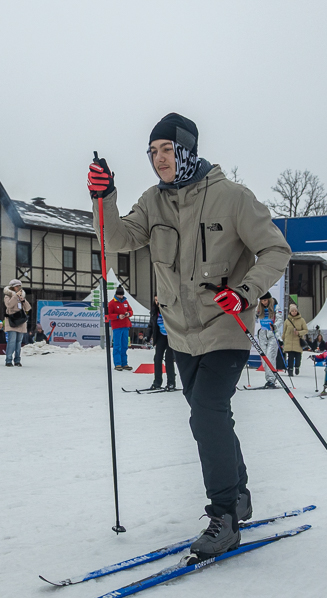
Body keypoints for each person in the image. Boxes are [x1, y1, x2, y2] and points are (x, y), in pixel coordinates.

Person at [87, 111, 290, 557]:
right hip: (179, 331)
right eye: (152, 152)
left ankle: (224, 517)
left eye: (166, 150)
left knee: (207, 412)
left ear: (186, 150)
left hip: (227, 327)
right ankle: (238, 492)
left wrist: (246, 292)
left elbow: (276, 249)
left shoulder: (232, 198)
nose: (159, 160)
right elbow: (117, 239)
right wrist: (104, 197)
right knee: (208, 418)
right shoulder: (152, 201)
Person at [145, 294, 176, 390]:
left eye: (158, 300)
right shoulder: (154, 311)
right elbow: (151, 324)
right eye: (155, 300)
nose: (157, 302)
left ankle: (171, 382)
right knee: (157, 358)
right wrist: (148, 336)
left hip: (171, 336)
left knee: (168, 358)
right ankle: (157, 382)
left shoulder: (170, 310)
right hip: (161, 336)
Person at [4, 278, 31, 367]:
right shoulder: (7, 296)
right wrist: (15, 296)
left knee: (19, 342)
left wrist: (23, 300)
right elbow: (9, 305)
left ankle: (17, 360)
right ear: (12, 287)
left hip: (21, 321)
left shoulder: (21, 296)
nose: (19, 288)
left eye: (19, 286)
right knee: (12, 341)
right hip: (12, 321)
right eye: (16, 286)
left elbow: (28, 308)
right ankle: (8, 360)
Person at [254, 293, 280, 388]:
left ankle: (271, 380)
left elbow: (280, 319)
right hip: (262, 334)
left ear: (269, 299)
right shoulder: (259, 307)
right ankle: (269, 378)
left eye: (265, 300)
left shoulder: (275, 306)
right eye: (262, 301)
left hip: (272, 334)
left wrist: (275, 326)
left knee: (270, 356)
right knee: (264, 358)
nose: (264, 302)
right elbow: (254, 317)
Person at [108, 285, 134, 371]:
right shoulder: (112, 303)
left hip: (125, 326)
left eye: (122, 295)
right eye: (119, 295)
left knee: (124, 345)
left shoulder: (126, 302)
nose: (121, 297)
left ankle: (124, 363)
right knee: (117, 345)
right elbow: (109, 315)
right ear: (116, 295)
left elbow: (131, 311)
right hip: (117, 327)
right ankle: (118, 363)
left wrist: (128, 314)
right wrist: (118, 316)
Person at [282, 303, 308, 376]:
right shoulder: (287, 321)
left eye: (295, 311)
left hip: (298, 342)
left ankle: (297, 367)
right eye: (292, 311)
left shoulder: (301, 320)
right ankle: (290, 370)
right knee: (290, 356)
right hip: (289, 341)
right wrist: (282, 340)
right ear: (290, 312)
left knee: (298, 356)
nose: (294, 312)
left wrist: (299, 332)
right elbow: (284, 331)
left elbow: (306, 330)